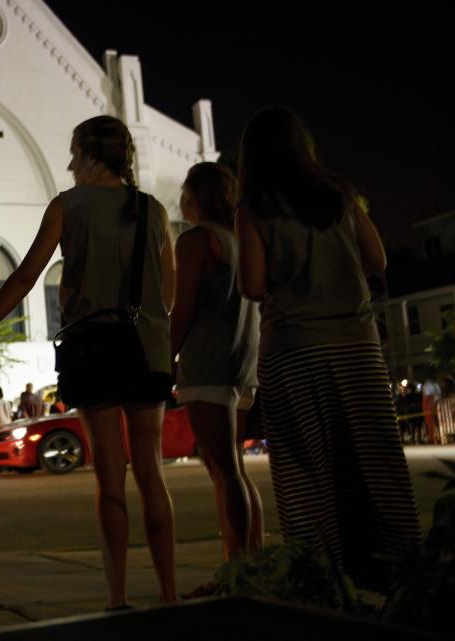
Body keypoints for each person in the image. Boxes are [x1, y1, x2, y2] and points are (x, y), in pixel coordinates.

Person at [0, 115, 177, 605]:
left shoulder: (67, 207)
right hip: (148, 348)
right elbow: (169, 291)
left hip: (93, 346)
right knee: (151, 471)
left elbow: (22, 279)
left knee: (109, 478)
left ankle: (118, 595)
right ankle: (169, 595)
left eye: (74, 153)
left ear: (91, 156)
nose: (69, 163)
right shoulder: (153, 210)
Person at [234, 107, 419, 589]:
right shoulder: (338, 194)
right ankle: (402, 568)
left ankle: (322, 578)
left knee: (305, 471)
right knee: (376, 460)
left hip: (294, 351)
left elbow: (252, 286)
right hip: (357, 347)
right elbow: (377, 259)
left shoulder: (253, 208)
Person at [170, 162, 262, 564]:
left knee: (222, 472)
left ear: (194, 198)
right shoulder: (242, 240)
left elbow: (183, 310)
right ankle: (253, 559)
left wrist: (164, 358)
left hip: (208, 365)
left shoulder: (196, 241)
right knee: (235, 469)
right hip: (245, 364)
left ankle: (236, 569)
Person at [423, 378, 442, 444]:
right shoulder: (436, 385)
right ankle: (438, 438)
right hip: (437, 406)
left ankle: (433, 439)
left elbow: (426, 399)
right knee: (437, 424)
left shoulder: (427, 386)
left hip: (430, 407)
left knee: (431, 425)